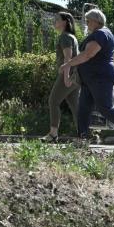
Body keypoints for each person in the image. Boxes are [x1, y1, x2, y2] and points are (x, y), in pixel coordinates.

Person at [59, 8, 114, 148]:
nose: (86, 23)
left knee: (105, 108)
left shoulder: (101, 34)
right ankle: (82, 139)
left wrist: (68, 64)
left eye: (88, 20)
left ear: (97, 21)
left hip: (99, 77)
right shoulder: (101, 33)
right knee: (83, 109)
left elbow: (88, 54)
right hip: (91, 79)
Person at [42, 12, 80, 142]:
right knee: (76, 107)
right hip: (76, 75)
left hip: (68, 74)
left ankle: (53, 134)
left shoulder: (65, 37)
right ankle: (85, 134)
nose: (54, 21)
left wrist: (66, 77)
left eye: (57, 19)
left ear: (65, 22)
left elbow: (68, 57)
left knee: (53, 101)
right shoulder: (72, 36)